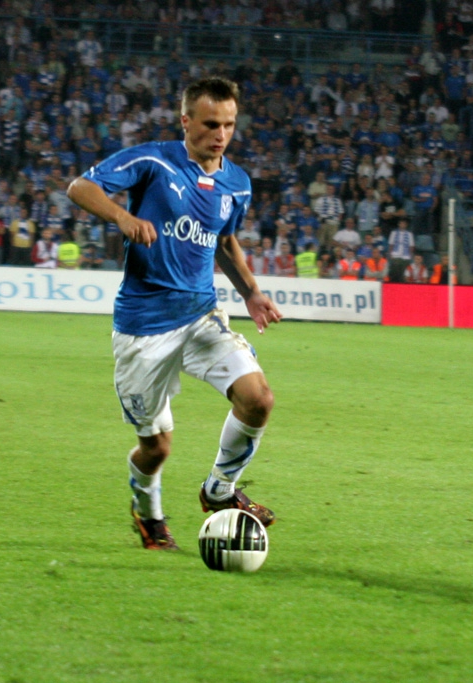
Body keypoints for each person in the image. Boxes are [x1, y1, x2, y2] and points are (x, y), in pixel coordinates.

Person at [66, 77, 282, 551]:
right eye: (209, 124)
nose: (220, 134)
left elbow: (225, 241)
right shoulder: (153, 160)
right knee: (157, 447)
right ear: (186, 121)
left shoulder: (237, 183)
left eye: (228, 124)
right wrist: (122, 217)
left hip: (202, 314)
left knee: (258, 398)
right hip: (144, 327)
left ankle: (219, 490)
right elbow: (80, 187)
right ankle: (148, 515)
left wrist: (251, 293)